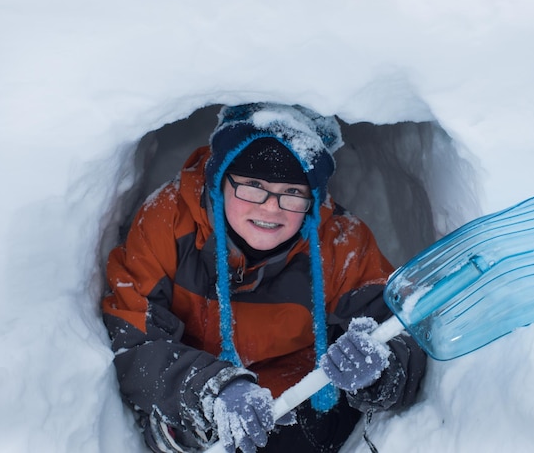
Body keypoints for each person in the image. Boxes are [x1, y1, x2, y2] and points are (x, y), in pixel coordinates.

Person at [102, 103, 427, 453]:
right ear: (220, 181)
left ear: (313, 199)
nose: (270, 208)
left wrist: (379, 367)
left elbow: (400, 331)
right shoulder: (167, 223)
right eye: (253, 186)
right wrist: (211, 390)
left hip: (298, 401)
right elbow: (133, 341)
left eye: (291, 192)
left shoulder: (341, 243)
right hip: (199, 391)